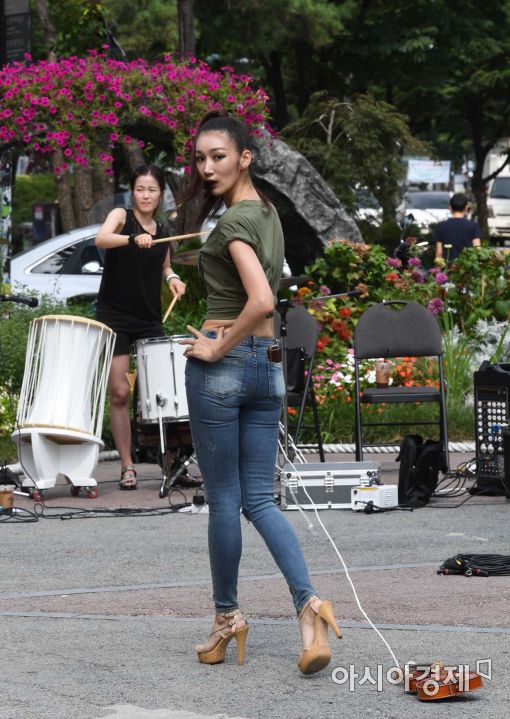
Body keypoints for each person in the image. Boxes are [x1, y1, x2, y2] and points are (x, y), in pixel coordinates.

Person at [180, 111, 341, 673]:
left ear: (245, 157)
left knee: (225, 500)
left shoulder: (233, 224)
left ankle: (227, 617)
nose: (207, 168)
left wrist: (215, 348)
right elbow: (269, 303)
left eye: (218, 156)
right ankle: (309, 605)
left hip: (226, 365)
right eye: (200, 159)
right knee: (261, 500)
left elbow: (262, 300)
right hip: (268, 364)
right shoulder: (267, 213)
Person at [95, 164, 187, 490]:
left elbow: (165, 264)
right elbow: (101, 238)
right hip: (115, 315)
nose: (145, 195)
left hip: (148, 317)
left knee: (163, 392)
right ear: (132, 191)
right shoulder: (122, 216)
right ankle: (127, 465)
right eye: (140, 189)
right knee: (120, 392)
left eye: (152, 190)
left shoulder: (163, 229)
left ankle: (173, 465)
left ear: (161, 194)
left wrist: (173, 278)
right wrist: (133, 238)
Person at [434, 193, 481, 264]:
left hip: (447, 267)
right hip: (467, 267)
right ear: (466, 208)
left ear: (450, 208)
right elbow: (477, 249)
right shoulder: (473, 226)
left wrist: (438, 269)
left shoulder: (441, 226)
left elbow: (439, 253)